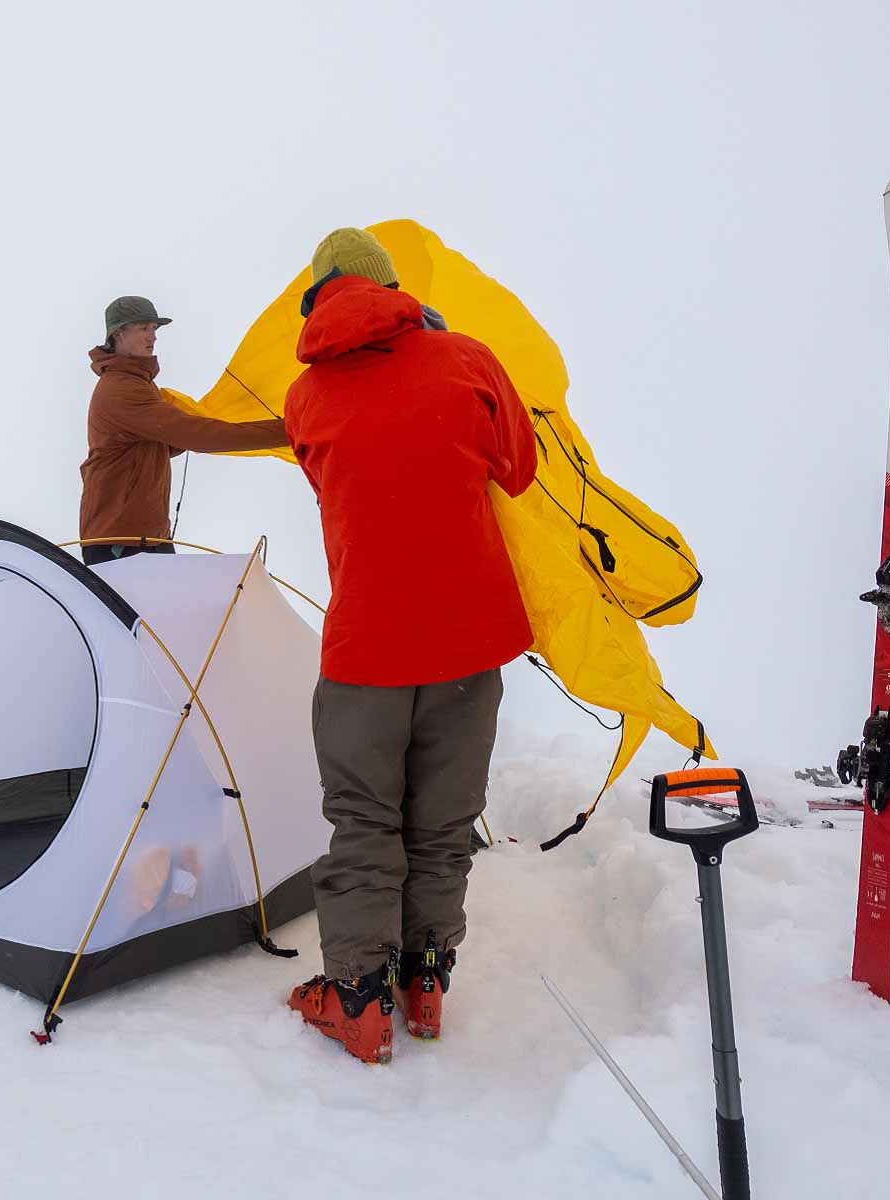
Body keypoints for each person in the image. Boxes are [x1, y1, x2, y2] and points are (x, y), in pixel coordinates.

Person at [280, 228, 537, 1065]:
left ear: (318, 302)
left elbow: (329, 482)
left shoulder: (304, 396)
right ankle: (425, 982)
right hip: (469, 639)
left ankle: (358, 1001)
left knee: (364, 819)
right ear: (395, 290)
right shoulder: (467, 358)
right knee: (444, 818)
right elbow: (519, 468)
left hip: (366, 649)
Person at [79, 296, 291, 567]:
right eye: (144, 328)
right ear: (119, 333)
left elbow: (161, 446)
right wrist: (289, 429)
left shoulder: (138, 384)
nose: (153, 336)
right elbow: (199, 437)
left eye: (154, 328)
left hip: (146, 536)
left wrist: (205, 421)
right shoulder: (121, 390)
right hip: (120, 541)